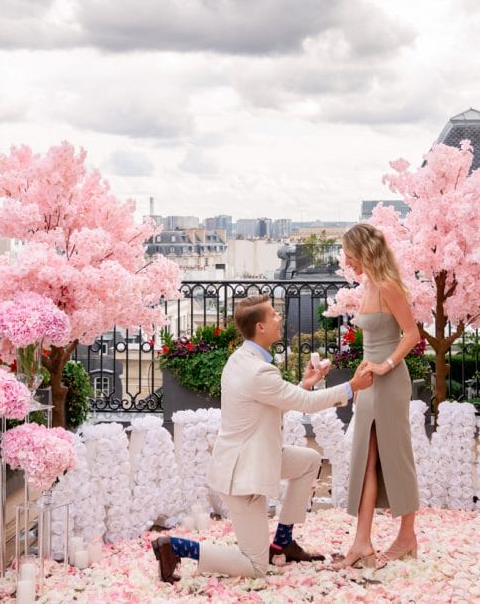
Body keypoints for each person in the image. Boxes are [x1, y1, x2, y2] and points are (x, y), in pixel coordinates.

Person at [151, 294, 375, 582]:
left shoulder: (242, 360)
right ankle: (175, 547)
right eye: (274, 315)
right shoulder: (259, 370)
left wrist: (305, 384)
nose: (279, 318)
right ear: (260, 327)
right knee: (255, 567)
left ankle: (282, 543)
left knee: (308, 460)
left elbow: (274, 399)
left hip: (254, 457)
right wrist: (352, 386)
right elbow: (302, 404)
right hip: (244, 475)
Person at [333, 222, 421, 569]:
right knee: (365, 459)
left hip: (390, 381)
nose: (347, 261)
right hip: (369, 383)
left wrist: (385, 365)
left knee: (395, 457)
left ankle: (407, 537)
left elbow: (412, 334)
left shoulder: (387, 287)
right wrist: (361, 379)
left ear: (364, 252)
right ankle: (362, 542)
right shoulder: (369, 285)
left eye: (349, 254)